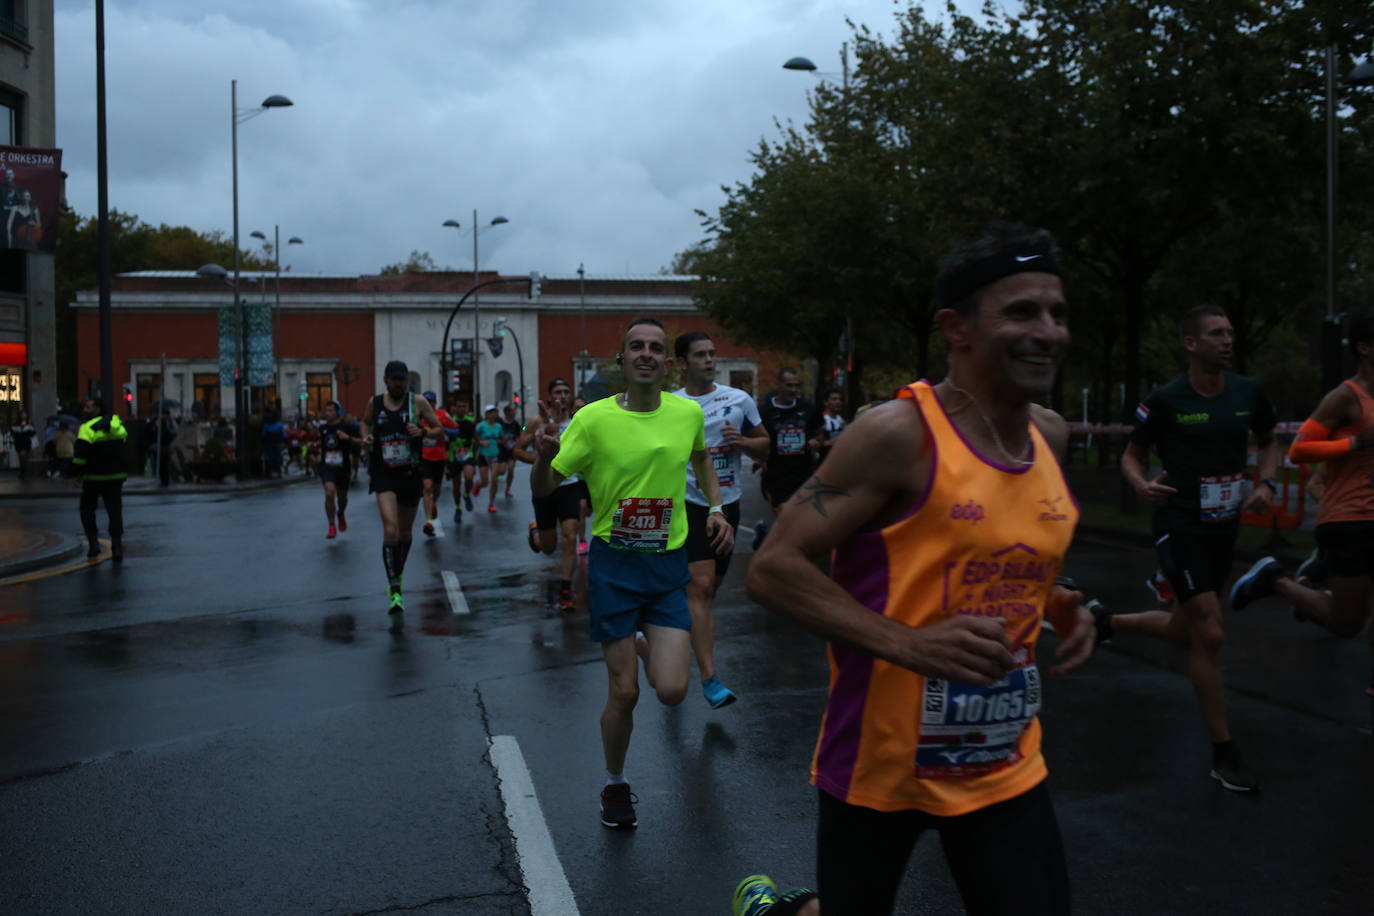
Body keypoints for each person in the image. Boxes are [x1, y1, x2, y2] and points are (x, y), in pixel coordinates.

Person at [734, 225, 1095, 915]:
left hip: (1003, 761)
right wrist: (907, 643)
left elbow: (1005, 552)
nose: (1048, 331)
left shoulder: (1049, 433)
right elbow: (775, 567)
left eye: (1058, 312)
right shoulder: (897, 434)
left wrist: (1058, 602)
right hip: (881, 763)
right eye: (1022, 312)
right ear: (956, 327)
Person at [531, 317, 732, 829]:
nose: (645, 354)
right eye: (635, 347)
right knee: (625, 692)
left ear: (668, 364)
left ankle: (647, 641)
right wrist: (542, 456)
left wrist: (714, 508)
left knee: (671, 691)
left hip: (667, 563)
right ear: (620, 359)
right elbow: (547, 483)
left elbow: (703, 457)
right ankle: (615, 784)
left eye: (656, 348)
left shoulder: (685, 413)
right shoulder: (594, 419)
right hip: (615, 565)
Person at [1101, 304, 1278, 794]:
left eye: (1230, 332)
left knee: (1188, 627)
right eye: (1217, 334)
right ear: (1191, 343)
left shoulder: (1248, 391)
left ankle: (1106, 622)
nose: (1227, 341)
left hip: (1223, 525)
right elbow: (1132, 455)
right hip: (1178, 523)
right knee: (1211, 632)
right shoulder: (1166, 400)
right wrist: (1139, 484)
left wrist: (1266, 482)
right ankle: (1224, 751)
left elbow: (1268, 440)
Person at [1225, 313, 1374, 682]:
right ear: (1365, 349)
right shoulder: (1346, 397)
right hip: (1349, 518)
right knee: (1347, 623)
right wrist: (1354, 443)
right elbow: (1301, 449)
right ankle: (1276, 580)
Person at [672, 330, 769, 708]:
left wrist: (744, 443)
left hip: (728, 502)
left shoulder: (738, 400)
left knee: (707, 592)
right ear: (683, 363)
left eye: (712, 354)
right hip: (689, 504)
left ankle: (670, 631)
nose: (710, 360)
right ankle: (710, 678)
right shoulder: (672, 405)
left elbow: (765, 442)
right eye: (700, 355)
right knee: (701, 585)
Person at [360, 361, 446, 633]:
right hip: (384, 473)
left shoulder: (417, 402)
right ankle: (395, 588)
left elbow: (439, 431)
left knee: (406, 534)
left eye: (403, 381)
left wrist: (422, 432)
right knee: (391, 530)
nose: (399, 385)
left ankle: (398, 571)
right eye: (395, 380)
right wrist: (366, 438)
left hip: (409, 473)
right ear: (386, 380)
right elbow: (364, 424)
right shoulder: (375, 403)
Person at [516, 379, 586, 613]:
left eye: (567, 392)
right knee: (547, 547)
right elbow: (517, 448)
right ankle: (535, 531)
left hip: (569, 485)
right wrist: (541, 460)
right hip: (545, 486)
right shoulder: (536, 422)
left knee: (570, 536)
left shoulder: (579, 422)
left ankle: (566, 589)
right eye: (557, 392)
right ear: (549, 396)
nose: (563, 396)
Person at [754, 368, 823, 546]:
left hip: (804, 471)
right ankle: (781, 552)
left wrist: (816, 441)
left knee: (800, 518)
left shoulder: (807, 408)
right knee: (785, 514)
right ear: (779, 385)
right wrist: (760, 456)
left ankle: (768, 537)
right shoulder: (765, 411)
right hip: (777, 472)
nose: (794, 389)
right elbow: (757, 438)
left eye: (797, 385)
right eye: (789, 385)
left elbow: (820, 432)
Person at [73, 398, 128, 561]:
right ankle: (117, 547)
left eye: (88, 407)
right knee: (115, 511)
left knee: (87, 510)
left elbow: (80, 456)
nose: (85, 409)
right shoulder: (117, 425)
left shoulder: (86, 429)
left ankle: (93, 544)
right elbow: (124, 444)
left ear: (97, 409)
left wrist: (77, 475)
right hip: (116, 476)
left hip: (93, 478)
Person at [417, 391, 458, 536]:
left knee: (435, 491)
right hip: (423, 458)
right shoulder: (417, 416)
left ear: (434, 403)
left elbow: (456, 430)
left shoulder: (442, 415)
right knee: (427, 488)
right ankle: (428, 521)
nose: (429, 404)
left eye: (431, 402)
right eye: (426, 401)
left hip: (439, 458)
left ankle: (433, 506)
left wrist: (440, 430)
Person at [317, 400, 359, 538]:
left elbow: (361, 441)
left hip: (343, 467)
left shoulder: (347, 427)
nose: (327, 413)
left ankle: (340, 513)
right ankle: (331, 526)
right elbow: (320, 445)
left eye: (330, 410)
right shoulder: (322, 429)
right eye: (326, 410)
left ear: (337, 412)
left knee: (342, 498)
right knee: (329, 493)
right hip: (327, 467)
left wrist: (347, 438)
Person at [445, 395, 479, 523]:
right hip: (453, 456)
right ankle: (458, 508)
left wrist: (475, 457)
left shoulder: (471, 420)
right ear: (454, 408)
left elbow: (476, 439)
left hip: (467, 454)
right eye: (458, 406)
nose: (461, 409)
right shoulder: (449, 421)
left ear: (467, 408)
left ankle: (466, 494)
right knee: (456, 484)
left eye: (463, 407)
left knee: (469, 477)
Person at [474, 404, 505, 513]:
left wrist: (502, 441)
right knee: (485, 483)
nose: (493, 414)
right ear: (486, 414)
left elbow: (502, 439)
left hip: (494, 456)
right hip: (483, 456)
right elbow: (474, 438)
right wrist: (481, 442)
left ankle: (491, 503)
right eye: (491, 412)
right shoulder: (481, 426)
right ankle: (478, 484)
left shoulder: (499, 426)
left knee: (494, 480)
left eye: (494, 412)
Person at [499, 403, 521, 497]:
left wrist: (526, 428)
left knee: (511, 469)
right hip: (501, 451)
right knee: (502, 471)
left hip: (511, 450)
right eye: (512, 410)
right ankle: (496, 476)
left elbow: (521, 430)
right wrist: (500, 441)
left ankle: (508, 489)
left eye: (514, 411)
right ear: (507, 412)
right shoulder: (499, 422)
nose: (514, 412)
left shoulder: (515, 423)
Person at [818, 388, 846, 462]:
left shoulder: (841, 420)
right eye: (834, 399)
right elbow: (818, 444)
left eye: (839, 399)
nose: (838, 402)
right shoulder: (821, 420)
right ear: (825, 402)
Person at [10, 410, 35, 478]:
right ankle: (23, 472)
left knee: (25, 458)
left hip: (27, 442)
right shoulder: (16, 424)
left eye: (24, 414)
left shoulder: (29, 423)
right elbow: (13, 432)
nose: (23, 416)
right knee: (22, 457)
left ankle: (24, 472)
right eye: (22, 414)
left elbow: (33, 433)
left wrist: (28, 431)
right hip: (19, 443)